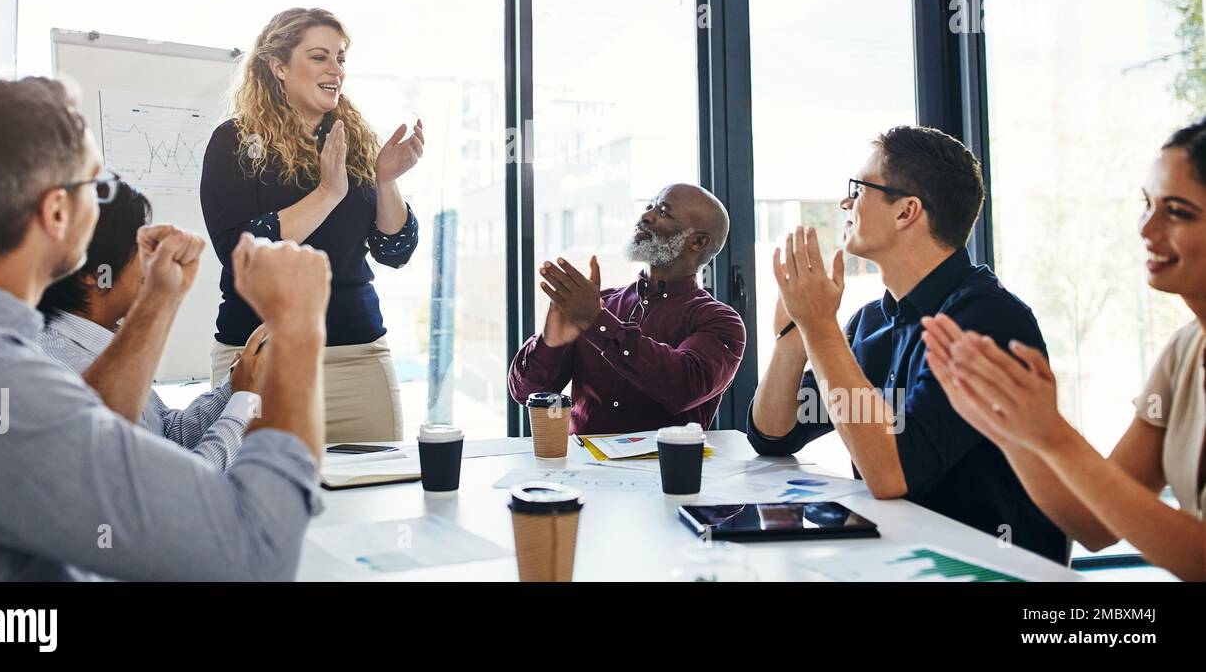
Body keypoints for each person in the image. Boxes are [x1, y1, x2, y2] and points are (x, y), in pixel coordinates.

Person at [0, 77, 329, 581]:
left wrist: (159, 298)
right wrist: (301, 325)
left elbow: (86, 430)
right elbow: (256, 550)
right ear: (58, 212)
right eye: (95, 183)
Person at [747, 125, 1066, 563]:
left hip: (990, 566)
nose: (845, 202)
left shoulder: (986, 320)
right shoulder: (872, 322)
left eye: (858, 189)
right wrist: (795, 337)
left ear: (906, 212)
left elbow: (892, 474)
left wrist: (820, 327)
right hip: (901, 555)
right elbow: (774, 433)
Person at [921, 119, 1206, 581]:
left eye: (1177, 211)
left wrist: (1054, 435)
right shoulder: (1184, 351)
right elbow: (1094, 525)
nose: (1147, 228)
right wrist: (1012, 430)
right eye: (1147, 204)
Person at [201, 7, 424, 443]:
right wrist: (327, 194)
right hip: (261, 361)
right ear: (278, 66)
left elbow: (395, 251)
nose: (335, 70)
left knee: (372, 502)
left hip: (358, 359)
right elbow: (239, 253)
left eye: (340, 58)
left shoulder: (354, 142)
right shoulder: (233, 141)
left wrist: (385, 180)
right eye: (319, 57)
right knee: (260, 503)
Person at [38, 180, 266, 471]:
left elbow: (169, 434)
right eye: (140, 246)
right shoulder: (62, 369)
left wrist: (234, 386)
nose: (153, 260)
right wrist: (245, 401)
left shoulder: (103, 347)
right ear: (91, 272)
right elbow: (181, 489)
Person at [508, 183, 745, 434]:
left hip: (665, 470)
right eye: (649, 206)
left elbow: (682, 387)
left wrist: (597, 321)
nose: (645, 216)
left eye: (663, 212)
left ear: (697, 241)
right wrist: (550, 343)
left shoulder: (720, 321)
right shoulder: (601, 303)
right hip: (582, 469)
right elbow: (525, 394)